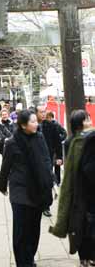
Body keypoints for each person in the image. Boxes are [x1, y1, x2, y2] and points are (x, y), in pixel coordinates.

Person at [0, 109, 53, 267]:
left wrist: (49, 181)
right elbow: (5, 166)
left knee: (34, 229)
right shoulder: (11, 142)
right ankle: (22, 262)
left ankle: (29, 257)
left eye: (37, 121)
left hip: (37, 190)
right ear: (23, 125)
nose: (36, 124)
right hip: (20, 191)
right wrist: (2, 186)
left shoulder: (39, 138)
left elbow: (46, 160)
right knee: (21, 230)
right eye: (33, 121)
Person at [49, 109, 94, 267]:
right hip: (81, 188)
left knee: (87, 223)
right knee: (82, 224)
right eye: (87, 118)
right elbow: (74, 166)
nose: (90, 120)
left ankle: (89, 257)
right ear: (80, 123)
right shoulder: (72, 142)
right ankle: (85, 258)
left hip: (84, 187)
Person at [36, 105, 63, 217]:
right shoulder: (33, 126)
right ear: (36, 113)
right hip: (34, 159)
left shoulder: (51, 126)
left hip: (48, 157)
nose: (43, 114)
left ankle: (46, 206)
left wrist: (59, 157)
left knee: (47, 182)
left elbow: (57, 142)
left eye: (44, 112)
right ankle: (37, 203)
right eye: (41, 112)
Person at [46, 110, 67, 185]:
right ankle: (51, 180)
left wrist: (59, 139)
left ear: (51, 117)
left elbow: (64, 133)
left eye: (48, 117)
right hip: (49, 148)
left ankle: (57, 181)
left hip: (56, 148)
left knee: (57, 165)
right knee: (50, 164)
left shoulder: (57, 125)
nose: (48, 119)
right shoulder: (45, 125)